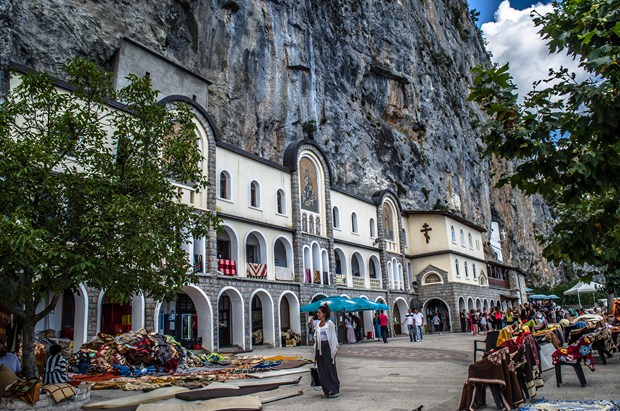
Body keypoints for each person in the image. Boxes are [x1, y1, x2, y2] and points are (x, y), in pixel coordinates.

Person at [313, 304, 340, 399]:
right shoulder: (317, 324)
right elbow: (316, 337)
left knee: (329, 369)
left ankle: (334, 389)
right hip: (319, 348)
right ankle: (327, 390)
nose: (317, 314)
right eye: (318, 312)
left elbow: (333, 338)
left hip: (327, 348)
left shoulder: (330, 324)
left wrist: (334, 350)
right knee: (321, 369)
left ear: (324, 314)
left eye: (319, 312)